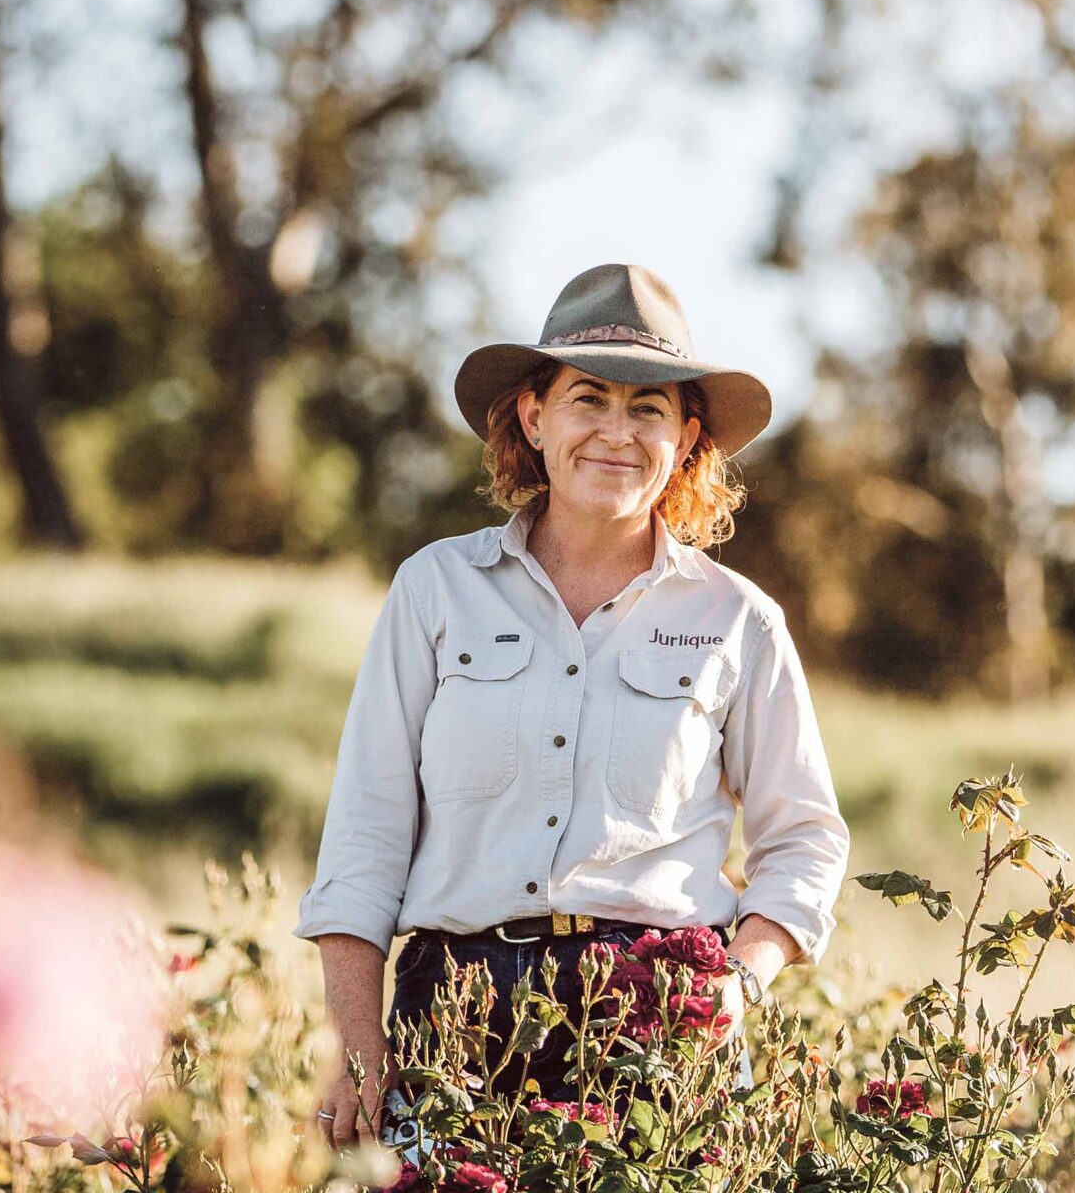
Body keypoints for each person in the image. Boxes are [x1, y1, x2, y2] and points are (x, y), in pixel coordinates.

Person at [299, 261, 850, 1143]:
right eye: (588, 398)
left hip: (660, 1023)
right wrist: (356, 1042)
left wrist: (735, 987)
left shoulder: (738, 620)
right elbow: (365, 835)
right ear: (534, 415)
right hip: (453, 1016)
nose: (616, 432)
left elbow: (805, 840)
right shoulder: (435, 589)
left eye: (648, 408)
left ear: (686, 437)